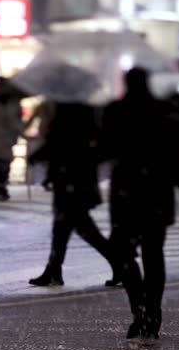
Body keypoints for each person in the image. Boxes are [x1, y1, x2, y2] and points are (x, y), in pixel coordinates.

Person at [103, 68, 179, 344]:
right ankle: (152, 313)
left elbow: (106, 149)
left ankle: (139, 308)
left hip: (126, 193)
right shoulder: (165, 111)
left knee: (123, 252)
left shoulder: (116, 111)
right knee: (153, 254)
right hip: (158, 192)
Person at [27, 102, 118, 287]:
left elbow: (58, 143)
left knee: (83, 230)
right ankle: (53, 270)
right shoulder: (86, 112)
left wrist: (37, 156)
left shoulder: (67, 110)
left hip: (69, 180)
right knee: (64, 228)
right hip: (77, 179)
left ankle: (121, 266)